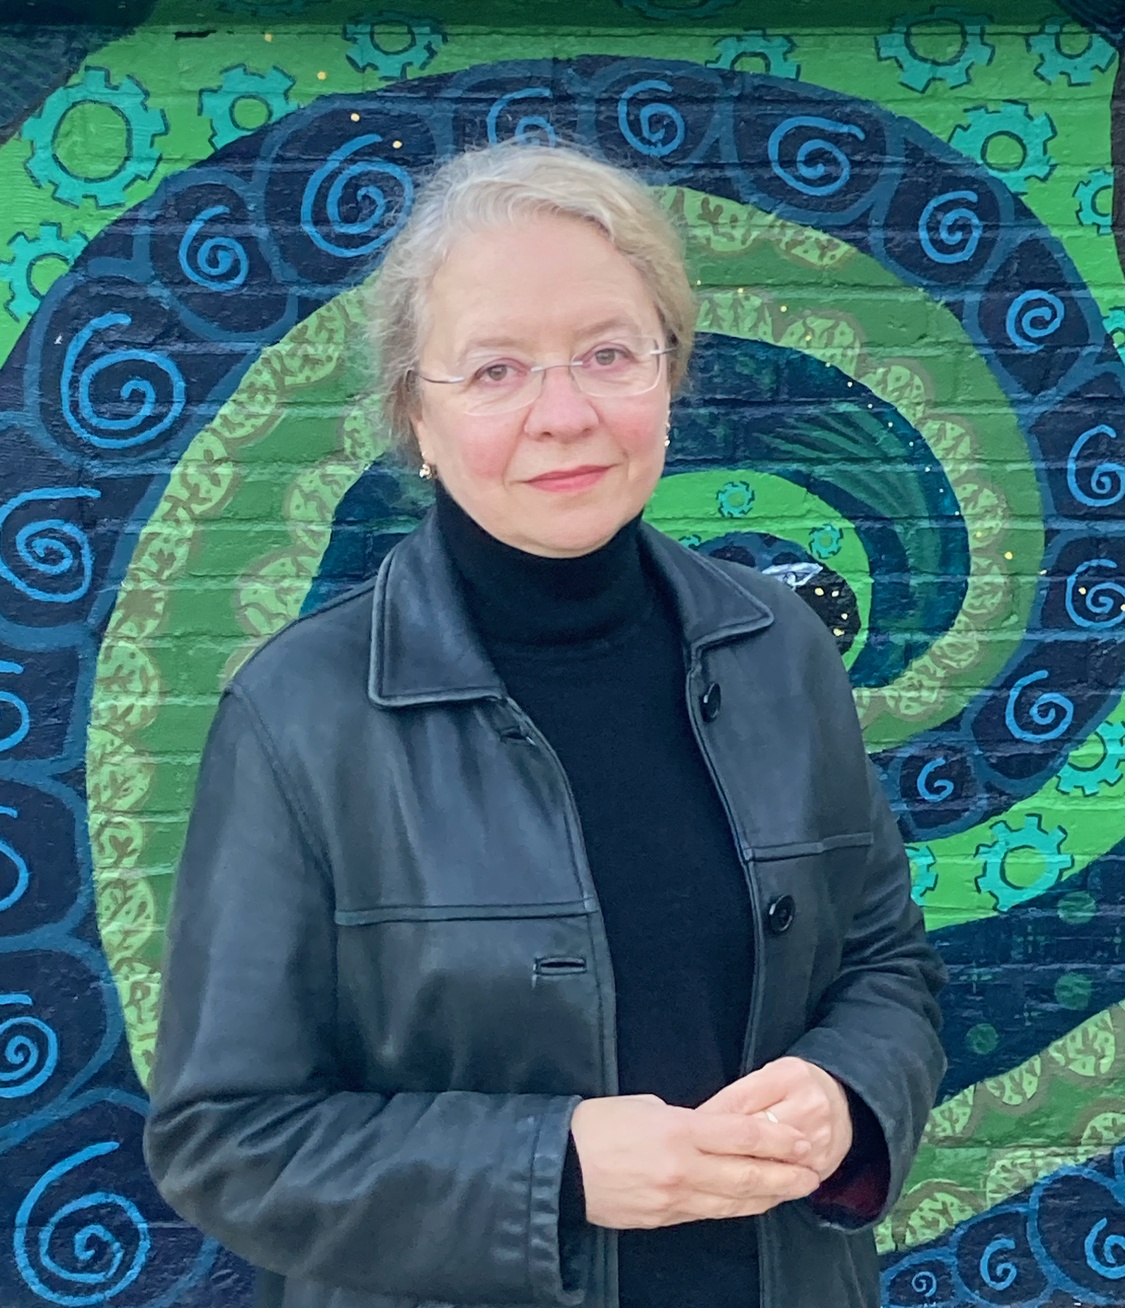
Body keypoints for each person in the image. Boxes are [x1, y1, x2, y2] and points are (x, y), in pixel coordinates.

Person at [143, 137, 948, 1308]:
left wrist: (845, 1093)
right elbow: (227, 1139)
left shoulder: (780, 652)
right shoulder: (300, 715)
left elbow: (888, 969)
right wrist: (556, 1168)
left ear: (669, 376)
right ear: (416, 418)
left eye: (608, 354)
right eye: (496, 371)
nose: (563, 413)